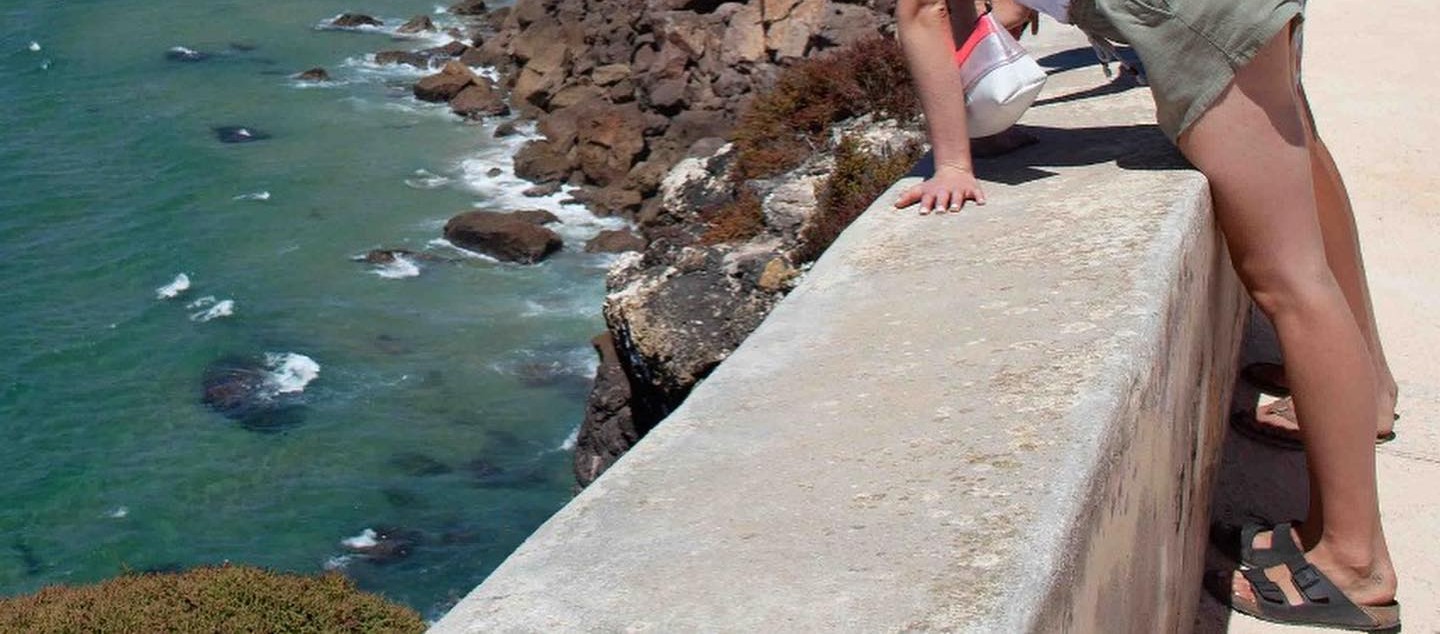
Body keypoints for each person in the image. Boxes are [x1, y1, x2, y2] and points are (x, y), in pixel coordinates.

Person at [892, 0, 1401, 630]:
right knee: (1302, 165)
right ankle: (1369, 394)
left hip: (1199, 18)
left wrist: (952, 161)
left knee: (1288, 280)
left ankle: (1354, 561)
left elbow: (923, 10)